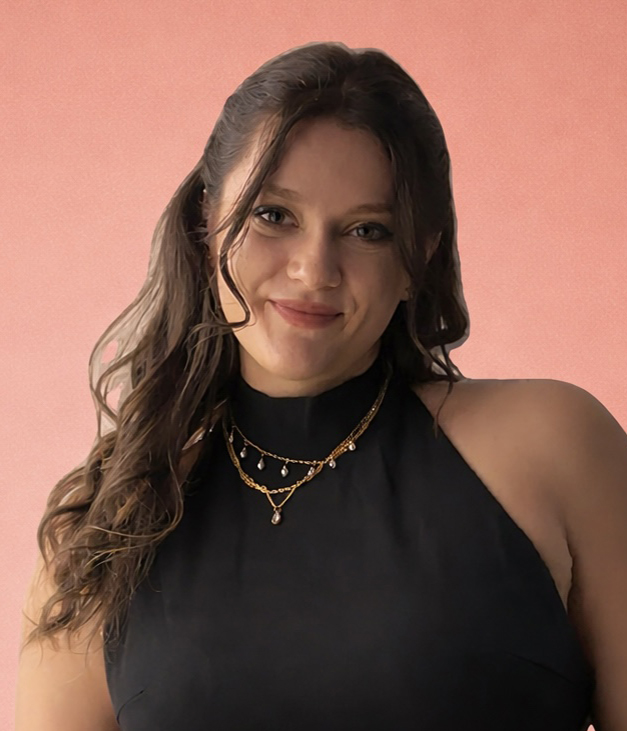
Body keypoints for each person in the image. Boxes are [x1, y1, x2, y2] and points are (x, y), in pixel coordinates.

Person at [15, 41, 627, 731]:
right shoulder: (104, 529)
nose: (314, 270)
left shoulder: (554, 448)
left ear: (418, 258)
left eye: (367, 230)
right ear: (206, 223)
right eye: (274, 215)